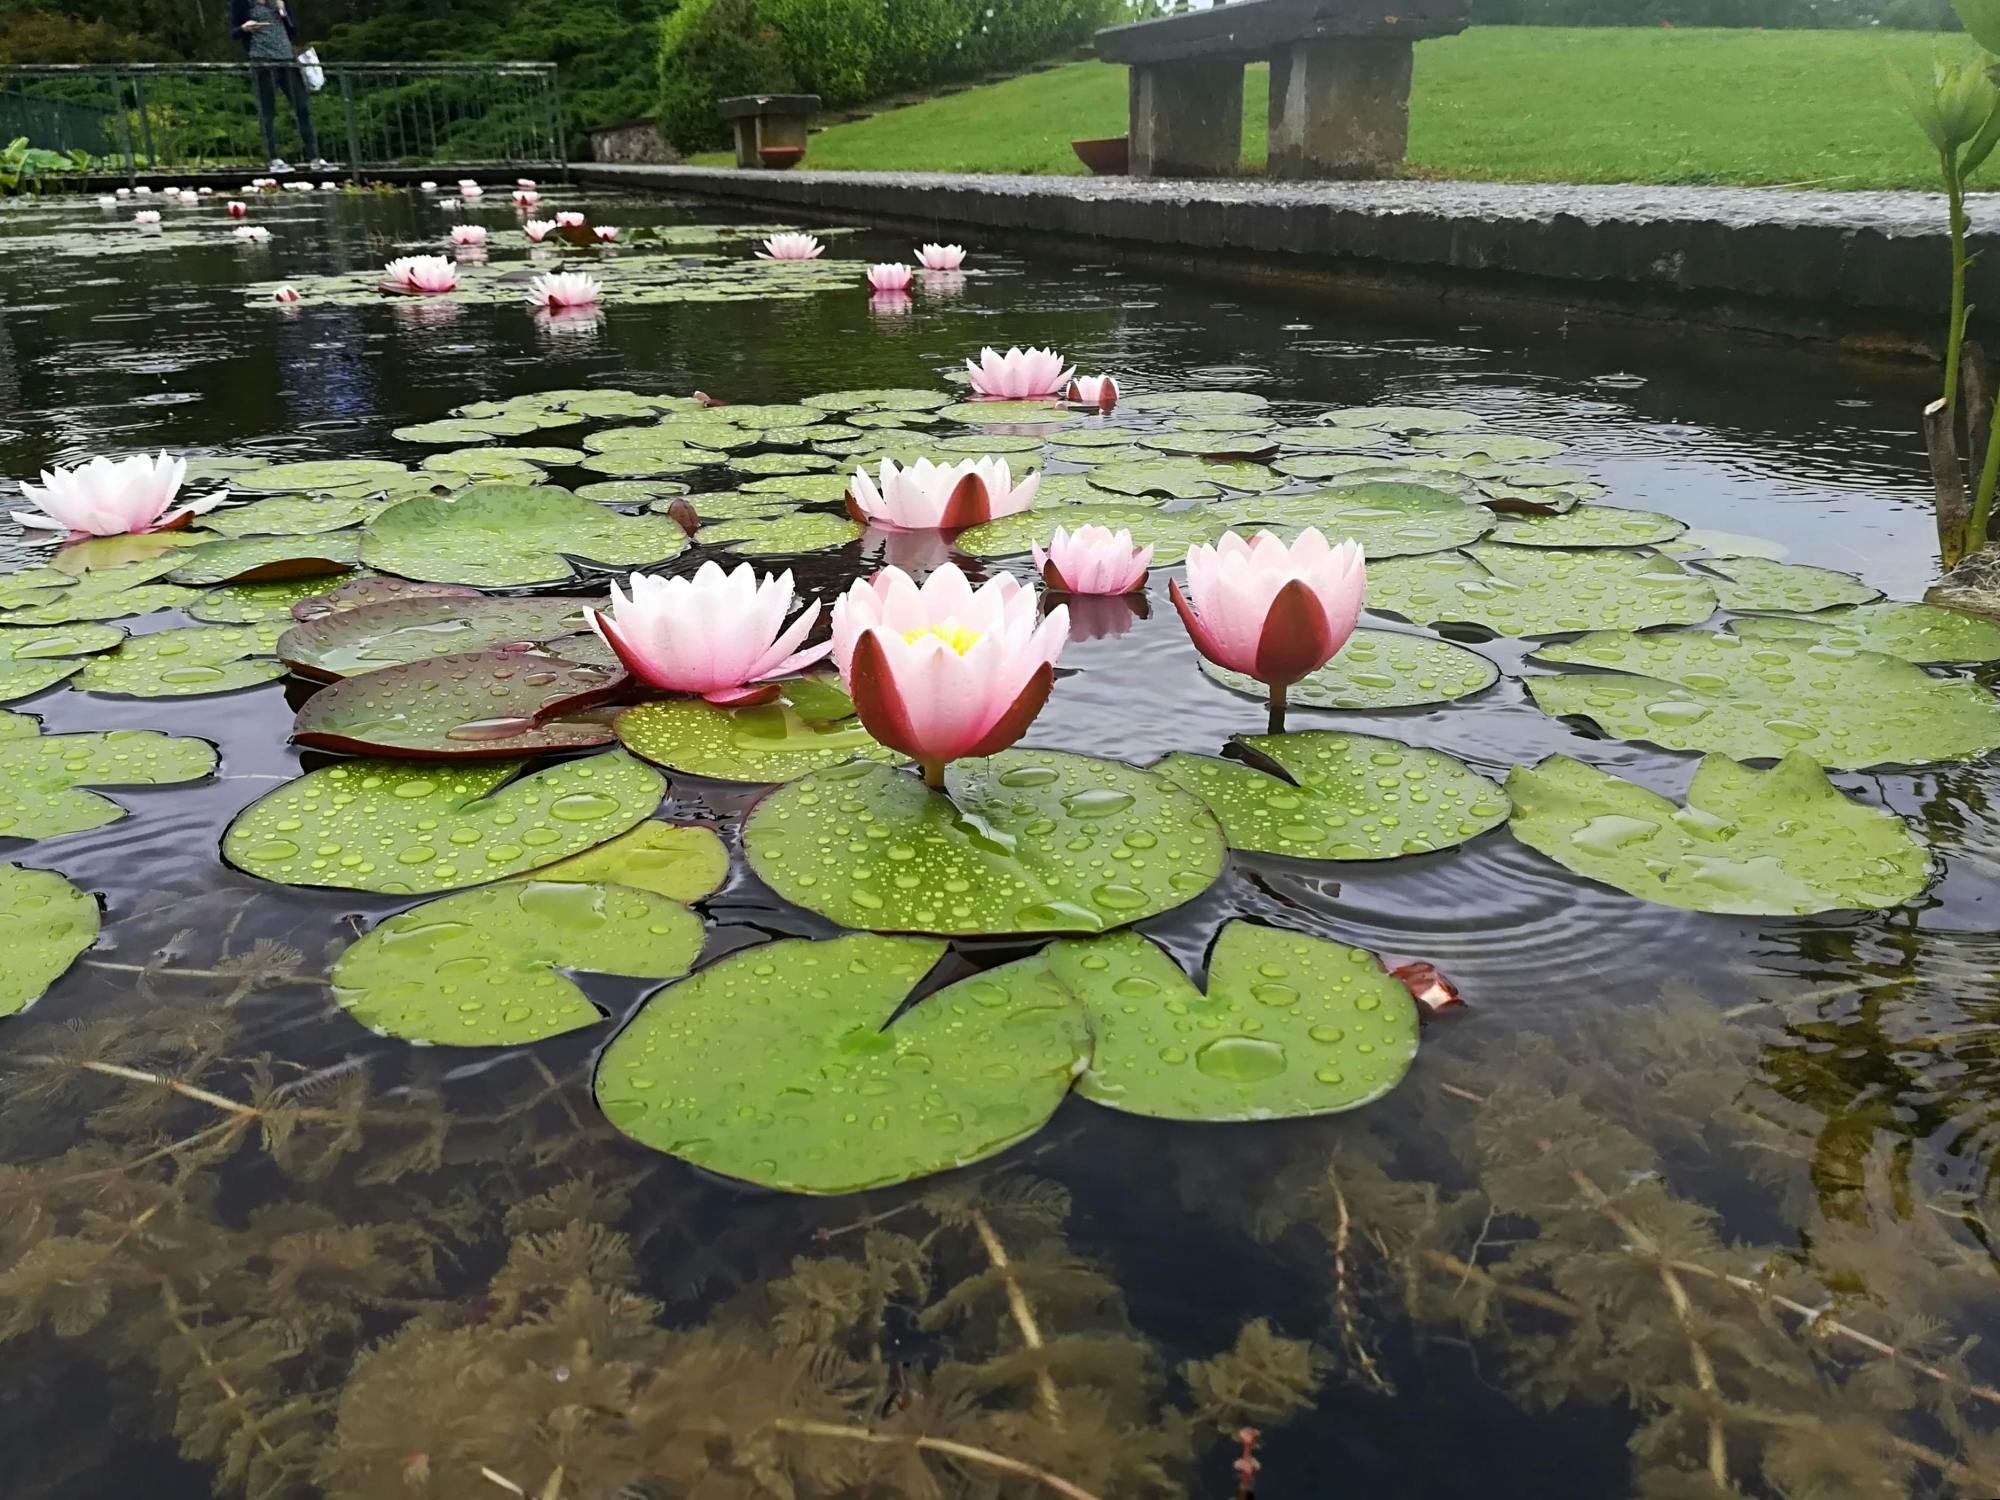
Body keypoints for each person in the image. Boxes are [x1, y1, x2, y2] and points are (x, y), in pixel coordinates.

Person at [229, 0, 330, 173]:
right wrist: (244, 28)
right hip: (262, 60)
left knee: (302, 107)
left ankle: (315, 158)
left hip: (287, 60)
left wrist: (283, 12)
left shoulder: (279, 1)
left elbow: (293, 30)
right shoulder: (242, 3)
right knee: (268, 111)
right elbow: (233, 32)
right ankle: (274, 159)